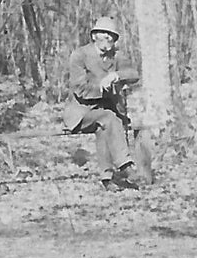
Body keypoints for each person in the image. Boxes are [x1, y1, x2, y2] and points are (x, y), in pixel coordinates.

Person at [61, 15, 150, 190]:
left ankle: (107, 179)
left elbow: (134, 74)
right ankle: (125, 165)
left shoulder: (116, 56)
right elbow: (79, 88)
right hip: (80, 113)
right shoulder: (80, 55)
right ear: (94, 36)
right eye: (104, 33)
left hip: (105, 114)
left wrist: (116, 75)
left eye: (112, 35)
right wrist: (102, 87)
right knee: (108, 118)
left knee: (106, 123)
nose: (108, 38)